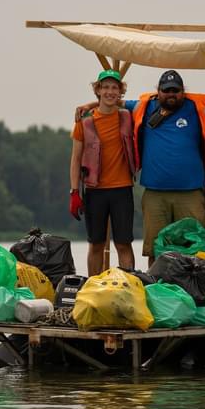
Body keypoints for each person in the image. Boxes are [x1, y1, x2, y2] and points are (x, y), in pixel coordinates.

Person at [127, 70, 205, 265]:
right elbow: (112, 103)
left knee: (196, 248)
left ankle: (194, 291)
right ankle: (155, 290)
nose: (171, 94)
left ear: (183, 92)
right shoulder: (144, 108)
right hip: (155, 193)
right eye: (166, 90)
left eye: (175, 90)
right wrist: (89, 105)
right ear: (158, 91)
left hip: (191, 193)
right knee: (154, 249)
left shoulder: (197, 108)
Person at [69, 69, 136, 276]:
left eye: (114, 88)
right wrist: (74, 192)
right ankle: (93, 287)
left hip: (122, 188)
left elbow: (146, 103)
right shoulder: (85, 122)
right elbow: (76, 159)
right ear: (98, 90)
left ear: (120, 91)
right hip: (95, 190)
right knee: (95, 244)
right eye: (105, 87)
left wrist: (89, 103)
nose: (110, 92)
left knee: (123, 244)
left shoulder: (127, 116)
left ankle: (129, 284)